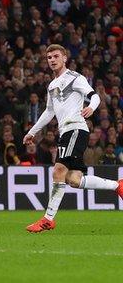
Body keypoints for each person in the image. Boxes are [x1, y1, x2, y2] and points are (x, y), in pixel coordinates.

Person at [23, 44, 123, 233]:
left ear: (64, 58)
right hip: (67, 132)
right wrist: (32, 132)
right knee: (74, 179)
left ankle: (48, 219)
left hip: (76, 129)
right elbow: (49, 111)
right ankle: (117, 185)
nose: (52, 60)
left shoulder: (75, 78)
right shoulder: (52, 85)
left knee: (58, 170)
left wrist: (91, 108)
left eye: (55, 56)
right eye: (49, 57)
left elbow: (94, 96)